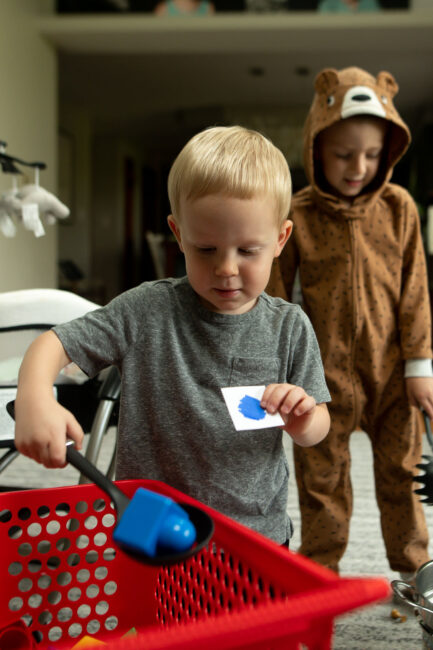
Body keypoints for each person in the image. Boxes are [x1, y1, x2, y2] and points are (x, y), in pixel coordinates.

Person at [14, 126, 330, 545]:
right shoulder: (145, 310)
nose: (226, 268)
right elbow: (52, 343)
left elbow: (318, 428)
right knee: (152, 613)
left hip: (254, 533)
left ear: (280, 239)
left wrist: (303, 417)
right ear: (179, 234)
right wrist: (34, 398)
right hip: (150, 522)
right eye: (206, 249)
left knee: (247, 614)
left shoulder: (290, 326)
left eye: (248, 250)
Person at [267, 66, 433, 578]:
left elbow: (415, 290)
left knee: (402, 474)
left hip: (391, 375)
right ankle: (319, 574)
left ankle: (415, 574)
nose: (357, 166)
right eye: (342, 154)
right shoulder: (300, 212)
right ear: (316, 148)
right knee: (321, 476)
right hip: (323, 375)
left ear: (390, 152)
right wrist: (278, 367)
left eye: (372, 154)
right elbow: (273, 295)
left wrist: (420, 362)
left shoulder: (400, 208)